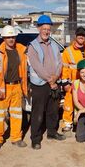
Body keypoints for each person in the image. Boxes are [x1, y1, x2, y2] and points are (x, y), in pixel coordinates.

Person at [27, 15, 66, 150]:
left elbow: (59, 63)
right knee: (37, 112)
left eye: (48, 29)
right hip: (40, 84)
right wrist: (50, 80)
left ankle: (52, 132)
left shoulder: (54, 44)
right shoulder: (33, 46)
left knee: (53, 110)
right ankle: (35, 139)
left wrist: (55, 77)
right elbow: (37, 66)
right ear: (39, 28)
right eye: (44, 28)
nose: (46, 31)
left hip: (54, 82)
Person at [0, 25, 28, 152]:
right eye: (8, 37)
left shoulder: (21, 49)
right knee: (0, 116)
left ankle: (16, 138)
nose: (11, 39)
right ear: (3, 38)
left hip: (17, 87)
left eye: (13, 37)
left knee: (17, 114)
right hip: (3, 88)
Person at [61, 27, 85, 133]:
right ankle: (67, 123)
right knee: (69, 100)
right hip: (73, 81)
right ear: (75, 36)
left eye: (83, 35)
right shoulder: (68, 51)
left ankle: (84, 121)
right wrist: (65, 82)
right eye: (79, 35)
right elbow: (65, 67)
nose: (81, 37)